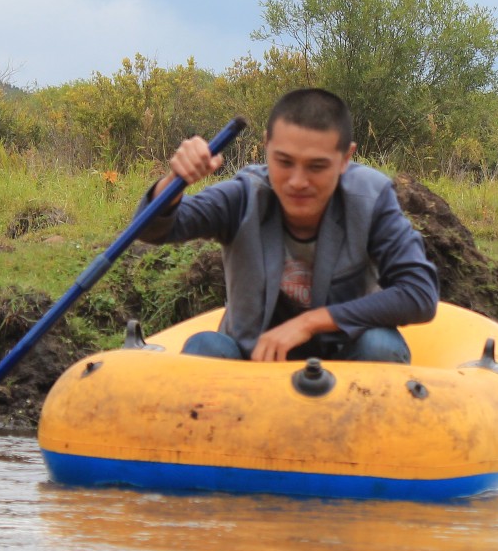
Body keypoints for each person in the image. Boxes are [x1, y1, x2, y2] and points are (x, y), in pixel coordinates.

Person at [138, 87, 439, 363]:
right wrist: (173, 183)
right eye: (283, 161)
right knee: (205, 347)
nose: (297, 182)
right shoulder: (244, 195)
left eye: (316, 167)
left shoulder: (372, 198)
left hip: (343, 361)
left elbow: (419, 292)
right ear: (267, 145)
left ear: (346, 158)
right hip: (251, 362)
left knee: (380, 346)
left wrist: (310, 322)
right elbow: (155, 229)